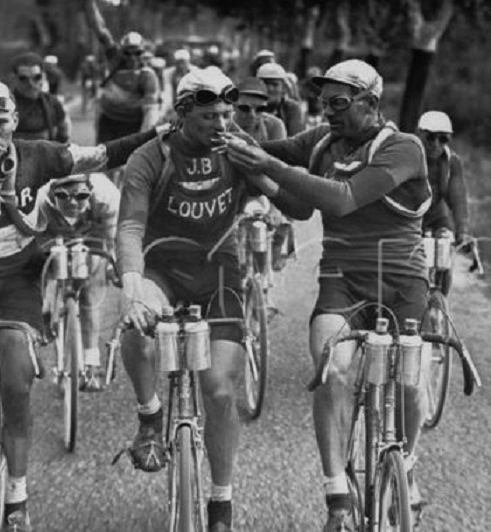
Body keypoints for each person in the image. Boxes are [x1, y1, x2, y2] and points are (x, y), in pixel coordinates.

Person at [0, 77, 165, 531]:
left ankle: (16, 498)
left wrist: (159, 133)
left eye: (1, 122)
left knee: (17, 380)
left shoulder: (41, 155)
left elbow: (105, 154)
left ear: (14, 121)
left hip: (17, 281)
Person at [223, 59, 432, 531]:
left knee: (411, 382)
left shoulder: (404, 148)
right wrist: (232, 149)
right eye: (324, 103)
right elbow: (296, 202)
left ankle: (410, 462)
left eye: (339, 103)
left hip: (403, 281)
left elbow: (340, 198)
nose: (329, 112)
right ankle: (337, 492)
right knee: (331, 370)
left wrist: (269, 166)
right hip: (342, 278)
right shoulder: (319, 142)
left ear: (371, 103)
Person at [116, 67, 306, 532]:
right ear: (182, 114)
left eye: (226, 114)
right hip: (161, 268)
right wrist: (133, 287)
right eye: (208, 117)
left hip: (219, 274)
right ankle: (149, 415)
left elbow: (298, 209)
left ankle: (221, 501)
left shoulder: (238, 149)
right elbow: (130, 227)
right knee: (134, 328)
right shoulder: (150, 157)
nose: (221, 125)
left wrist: (260, 165)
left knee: (219, 389)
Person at [35, 172, 119, 391]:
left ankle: (91, 362)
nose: (72, 202)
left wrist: (112, 265)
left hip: (94, 230)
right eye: (63, 195)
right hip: (54, 230)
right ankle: (49, 312)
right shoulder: (41, 198)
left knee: (92, 284)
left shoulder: (106, 195)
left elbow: (112, 238)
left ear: (90, 192)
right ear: (52, 194)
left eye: (80, 196)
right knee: (46, 269)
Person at [233, 77, 294, 272]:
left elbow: (280, 171)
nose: (252, 115)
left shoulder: (275, 126)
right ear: (233, 106)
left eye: (260, 109)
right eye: (244, 108)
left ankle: (264, 279)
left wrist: (277, 209)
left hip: (262, 190)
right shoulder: (222, 125)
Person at [86, 0, 161, 142]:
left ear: (143, 53)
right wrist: (89, 4)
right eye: (128, 53)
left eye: (137, 53)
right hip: (108, 118)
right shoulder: (115, 58)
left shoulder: (147, 76)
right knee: (104, 157)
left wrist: (142, 139)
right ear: (121, 52)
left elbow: (150, 112)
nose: (132, 57)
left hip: (133, 122)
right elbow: (100, 30)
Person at [416, 110, 471, 295]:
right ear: (419, 134)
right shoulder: (407, 156)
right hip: (409, 221)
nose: (436, 144)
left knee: (445, 259)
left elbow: (458, 198)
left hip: (437, 219)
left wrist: (462, 231)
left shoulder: (451, 162)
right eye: (430, 137)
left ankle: (442, 304)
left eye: (443, 139)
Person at [10, 53, 71, 143]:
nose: (30, 83)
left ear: (43, 77)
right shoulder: (6, 105)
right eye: (23, 78)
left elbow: (64, 130)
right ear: (15, 79)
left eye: (37, 77)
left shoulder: (53, 104)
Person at [257, 62, 305, 136]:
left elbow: (296, 140)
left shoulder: (292, 108)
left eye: (275, 84)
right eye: (265, 83)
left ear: (283, 88)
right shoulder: (248, 108)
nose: (270, 89)